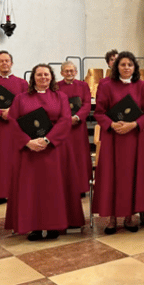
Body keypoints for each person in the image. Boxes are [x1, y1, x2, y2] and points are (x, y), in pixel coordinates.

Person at [6, 64, 84, 240]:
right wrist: (27, 142)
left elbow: (65, 120)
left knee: (53, 189)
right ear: (33, 78)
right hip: (29, 151)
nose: (43, 78)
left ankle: (53, 226)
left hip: (53, 150)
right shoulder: (20, 98)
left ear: (52, 77)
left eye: (46, 75)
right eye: (39, 75)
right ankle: (34, 226)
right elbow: (12, 121)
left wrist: (47, 140)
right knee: (32, 190)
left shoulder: (60, 96)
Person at [93, 52, 144, 234]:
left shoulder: (142, 86)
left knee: (133, 176)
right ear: (116, 67)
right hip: (112, 138)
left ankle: (129, 217)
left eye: (130, 64)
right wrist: (111, 125)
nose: (126, 67)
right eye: (123, 64)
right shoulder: (106, 86)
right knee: (111, 177)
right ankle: (111, 219)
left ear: (135, 68)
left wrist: (134, 124)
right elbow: (99, 112)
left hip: (133, 138)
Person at [0, 51, 28, 204]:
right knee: (0, 159)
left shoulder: (22, 83)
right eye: (1, 61)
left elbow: (28, 103)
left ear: (12, 63)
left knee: (17, 158)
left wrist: (12, 112)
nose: (4, 63)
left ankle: (19, 190)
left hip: (17, 127)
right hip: (0, 127)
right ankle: (0, 192)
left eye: (7, 60)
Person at [58, 61, 92, 194]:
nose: (69, 73)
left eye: (72, 71)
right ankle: (64, 186)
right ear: (61, 73)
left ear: (76, 72)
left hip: (78, 128)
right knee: (64, 156)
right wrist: (65, 120)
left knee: (79, 156)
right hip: (63, 128)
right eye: (66, 71)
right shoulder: (56, 86)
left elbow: (87, 104)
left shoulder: (83, 86)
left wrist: (77, 117)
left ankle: (80, 187)